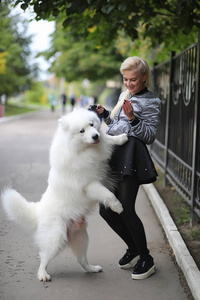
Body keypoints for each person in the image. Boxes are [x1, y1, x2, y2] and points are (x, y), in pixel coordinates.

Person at [96, 56, 161, 280]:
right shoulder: (126, 95)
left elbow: (149, 135)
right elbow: (116, 128)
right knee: (106, 209)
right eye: (125, 79)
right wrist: (105, 114)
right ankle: (134, 249)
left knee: (125, 207)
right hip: (116, 154)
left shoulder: (151, 101)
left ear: (144, 77)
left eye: (133, 79)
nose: (129, 83)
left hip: (133, 156)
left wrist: (133, 118)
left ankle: (146, 258)